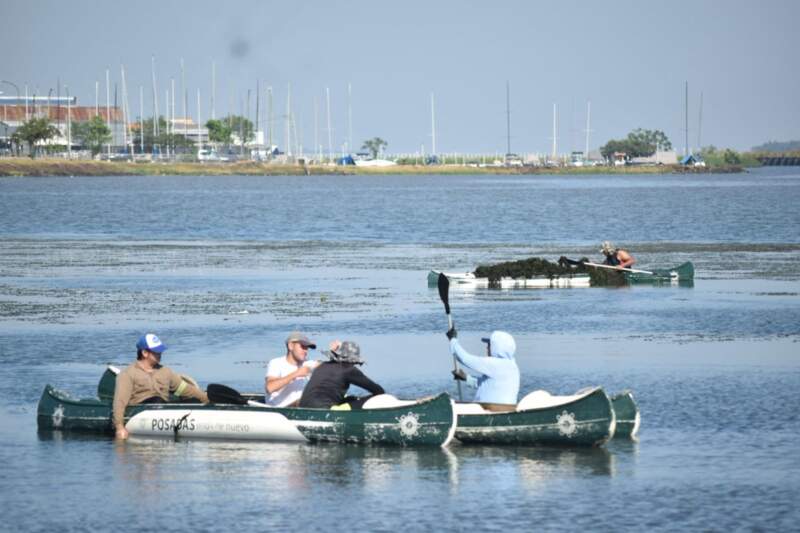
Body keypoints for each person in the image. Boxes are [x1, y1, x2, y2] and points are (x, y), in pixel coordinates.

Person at [113, 333, 209, 440]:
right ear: (145, 353)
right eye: (156, 352)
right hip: (142, 412)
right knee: (157, 400)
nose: (160, 353)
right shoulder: (128, 374)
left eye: (160, 351)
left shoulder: (165, 372)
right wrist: (119, 427)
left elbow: (186, 389)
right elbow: (119, 402)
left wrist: (207, 398)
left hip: (164, 409)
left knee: (194, 400)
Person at [298, 340, 385, 409]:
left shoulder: (323, 365)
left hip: (303, 407)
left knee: (351, 399)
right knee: (377, 397)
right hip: (324, 409)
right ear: (353, 359)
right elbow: (378, 390)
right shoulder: (348, 369)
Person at [446, 328, 520, 406]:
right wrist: (466, 378)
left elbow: (464, 359)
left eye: (489, 345)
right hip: (504, 410)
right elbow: (485, 384)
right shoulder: (513, 366)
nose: (487, 348)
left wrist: (453, 340)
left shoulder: (495, 364)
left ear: (496, 348)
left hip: (489, 411)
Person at [264, 331, 320, 407]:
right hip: (280, 410)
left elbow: (327, 366)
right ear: (290, 346)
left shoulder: (308, 364)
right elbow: (270, 388)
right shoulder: (276, 363)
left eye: (307, 348)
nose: (305, 351)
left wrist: (335, 352)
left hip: (300, 408)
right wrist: (296, 374)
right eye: (302, 347)